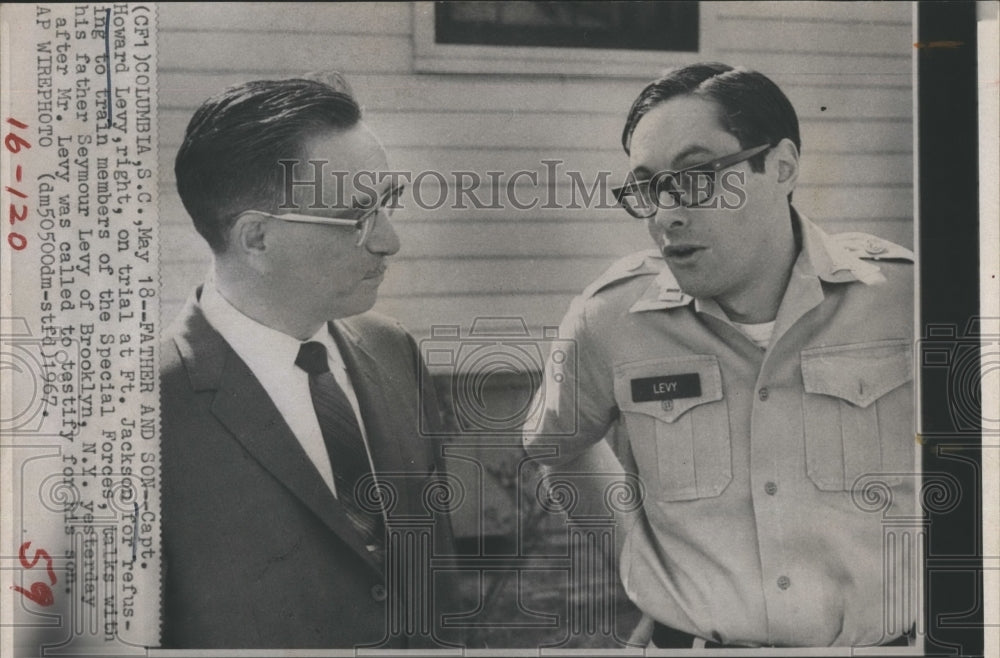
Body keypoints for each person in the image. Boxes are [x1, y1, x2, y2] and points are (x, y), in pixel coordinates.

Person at [525, 62, 916, 648]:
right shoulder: (610, 318)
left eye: (697, 175)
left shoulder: (908, 300)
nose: (666, 213)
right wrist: (642, 559)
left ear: (781, 167)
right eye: (647, 186)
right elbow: (556, 445)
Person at [160, 75, 454, 649]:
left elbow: (435, 585)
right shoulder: (138, 416)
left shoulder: (393, 351)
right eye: (357, 217)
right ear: (256, 239)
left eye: (387, 204)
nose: (390, 241)